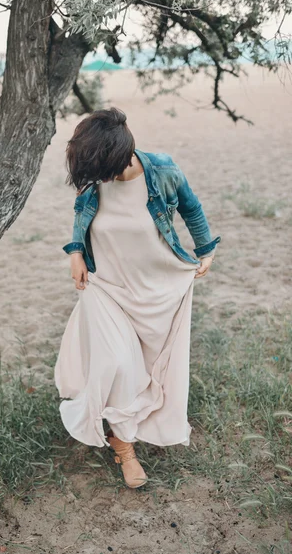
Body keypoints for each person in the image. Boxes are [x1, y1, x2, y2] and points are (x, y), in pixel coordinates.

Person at [54, 107, 221, 489]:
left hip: (156, 286)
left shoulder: (161, 171)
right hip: (107, 287)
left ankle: (127, 430)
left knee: (148, 367)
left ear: (124, 153)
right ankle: (125, 450)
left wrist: (206, 249)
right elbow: (81, 215)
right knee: (116, 362)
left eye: (104, 171)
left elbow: (192, 207)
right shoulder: (95, 176)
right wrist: (75, 251)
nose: (100, 179)